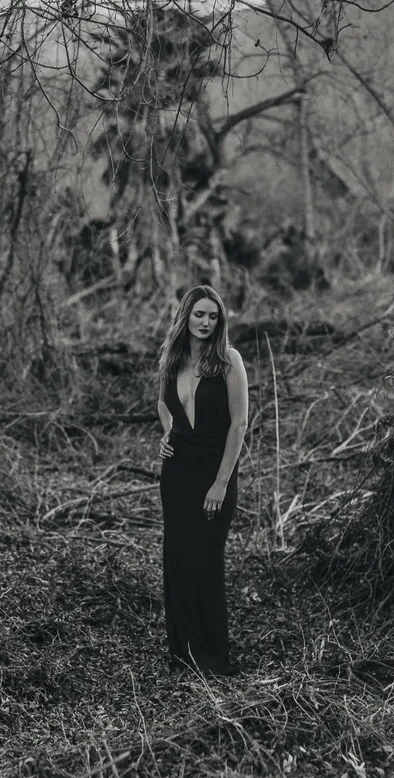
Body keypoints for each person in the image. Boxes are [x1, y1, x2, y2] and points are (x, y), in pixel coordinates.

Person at [155, 284, 248, 676]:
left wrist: (221, 483)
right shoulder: (172, 359)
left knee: (206, 561)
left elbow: (239, 423)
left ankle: (211, 657)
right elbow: (163, 402)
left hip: (215, 473)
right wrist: (167, 432)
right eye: (199, 315)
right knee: (177, 561)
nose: (206, 322)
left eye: (213, 316)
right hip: (176, 475)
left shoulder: (229, 360)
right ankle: (183, 654)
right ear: (186, 317)